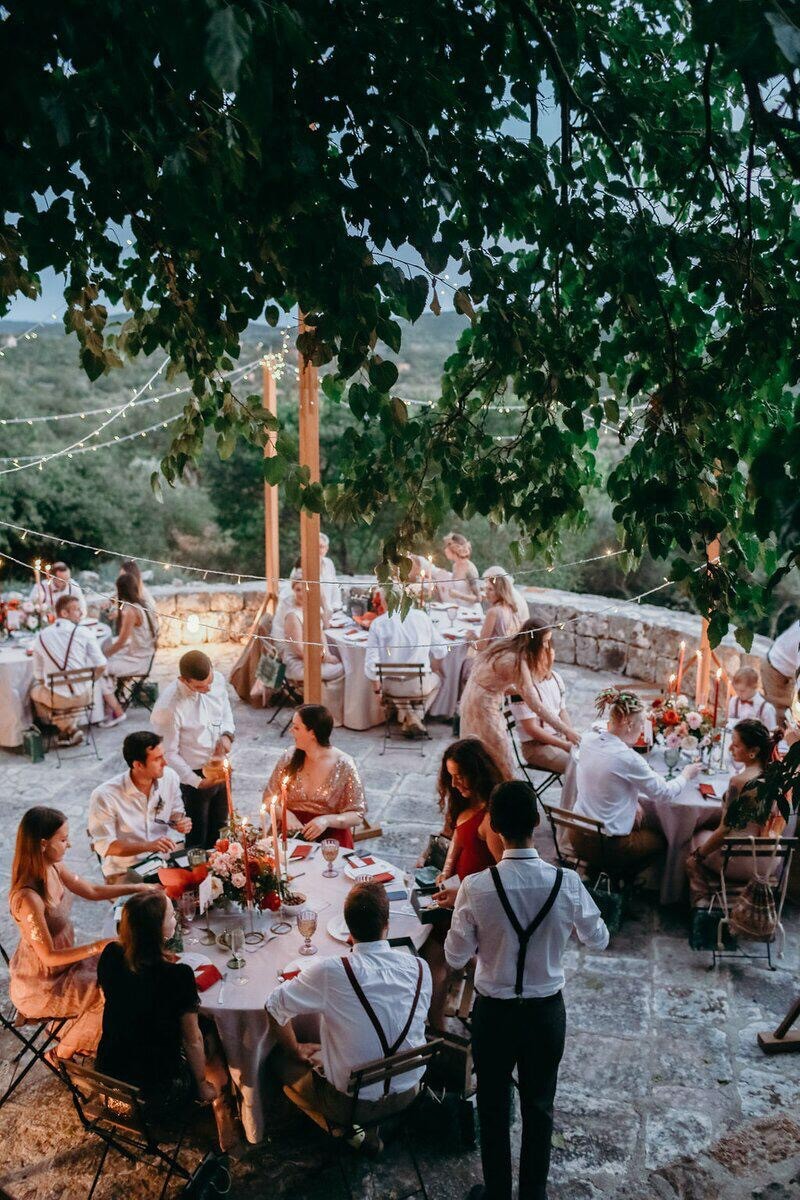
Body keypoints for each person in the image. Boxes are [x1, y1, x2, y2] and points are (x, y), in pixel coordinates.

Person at [445, 781, 609, 1200]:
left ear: (494, 827)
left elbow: (454, 956)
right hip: (545, 1013)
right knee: (539, 1106)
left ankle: (498, 1194)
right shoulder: (566, 883)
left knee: (493, 1107)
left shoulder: (476, 888)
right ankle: (533, 1195)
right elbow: (599, 939)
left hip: (494, 1014)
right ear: (536, 822)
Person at [266, 881, 432, 1146]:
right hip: (409, 1093)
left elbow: (273, 1006)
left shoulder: (332, 971)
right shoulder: (420, 967)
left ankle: (349, 1134)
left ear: (348, 929)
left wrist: (295, 1049)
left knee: (276, 1060)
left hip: (352, 1106)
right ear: (387, 925)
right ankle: (368, 1131)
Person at [8, 806, 153, 1059]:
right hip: (43, 983)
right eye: (63, 840)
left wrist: (138, 888)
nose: (70, 844)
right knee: (114, 989)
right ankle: (60, 1053)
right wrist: (97, 946)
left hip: (66, 964)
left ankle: (81, 1034)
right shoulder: (28, 898)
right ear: (43, 844)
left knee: (121, 966)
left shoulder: (54, 866)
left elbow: (92, 891)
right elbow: (48, 957)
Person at [96, 892, 235, 1145]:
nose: (176, 918)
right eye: (171, 916)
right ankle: (221, 1110)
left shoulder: (110, 955)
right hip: (153, 1096)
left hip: (108, 1089)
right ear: (157, 931)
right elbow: (192, 1040)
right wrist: (200, 1084)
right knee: (210, 1033)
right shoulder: (177, 976)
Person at [572, 688, 702, 876]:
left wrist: (632, 803)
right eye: (641, 724)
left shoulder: (587, 739)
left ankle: (596, 872)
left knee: (639, 821)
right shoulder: (628, 758)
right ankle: (620, 879)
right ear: (629, 724)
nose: (642, 730)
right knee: (664, 841)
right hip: (608, 847)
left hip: (577, 836)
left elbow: (606, 776)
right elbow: (664, 792)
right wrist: (686, 775)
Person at [421, 738, 505, 1029]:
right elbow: (456, 841)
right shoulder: (464, 803)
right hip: (456, 899)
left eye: (460, 776)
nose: (454, 784)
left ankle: (437, 1030)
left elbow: (504, 874)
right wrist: (442, 869)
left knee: (431, 958)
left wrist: (462, 894)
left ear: (477, 771)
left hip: (474, 909)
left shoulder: (491, 818)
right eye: (451, 777)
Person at [459, 619, 580, 779]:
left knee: (485, 752)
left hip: (476, 695)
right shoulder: (515, 661)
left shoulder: (511, 646)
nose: (546, 647)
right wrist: (566, 731)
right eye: (544, 642)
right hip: (482, 705)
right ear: (534, 641)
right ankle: (501, 787)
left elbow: (495, 679)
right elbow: (535, 704)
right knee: (496, 752)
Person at [687, 719, 780, 907]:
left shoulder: (739, 782)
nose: (730, 748)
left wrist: (697, 856)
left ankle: (702, 901)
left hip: (739, 860)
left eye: (736, 745)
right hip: (769, 860)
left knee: (693, 839)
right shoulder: (774, 778)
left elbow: (725, 830)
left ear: (753, 751)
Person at [151, 649, 235, 849]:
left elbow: (225, 712)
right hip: (193, 776)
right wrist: (197, 782)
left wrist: (227, 735)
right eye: (199, 686)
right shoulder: (167, 708)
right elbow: (168, 753)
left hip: (221, 766)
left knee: (222, 829)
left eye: (209, 682)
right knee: (197, 838)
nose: (207, 688)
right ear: (183, 680)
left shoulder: (218, 680)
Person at [88, 731, 192, 880]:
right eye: (157, 759)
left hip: (162, 861)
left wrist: (179, 822)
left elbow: (176, 812)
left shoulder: (170, 777)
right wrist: (149, 846)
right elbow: (105, 845)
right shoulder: (104, 796)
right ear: (138, 765)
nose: (165, 763)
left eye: (163, 755)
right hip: (124, 869)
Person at [263, 704, 366, 847]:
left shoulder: (344, 764)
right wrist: (286, 815)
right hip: (290, 834)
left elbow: (357, 815)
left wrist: (325, 821)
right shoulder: (289, 757)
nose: (291, 731)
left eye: (296, 727)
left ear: (312, 733)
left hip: (330, 839)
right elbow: (268, 799)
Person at [364, 589, 447, 736]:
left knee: (396, 679)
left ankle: (410, 717)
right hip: (419, 685)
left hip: (391, 687)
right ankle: (417, 717)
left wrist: (377, 692)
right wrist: (436, 666)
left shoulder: (378, 623)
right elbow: (441, 649)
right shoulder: (422, 617)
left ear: (385, 602)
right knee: (438, 680)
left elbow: (372, 665)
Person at [30, 593, 106, 748]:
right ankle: (71, 729)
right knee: (69, 693)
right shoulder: (85, 632)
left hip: (57, 699)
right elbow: (102, 665)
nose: (81, 613)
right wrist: (90, 683)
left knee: (32, 692)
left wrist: (50, 686)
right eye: (77, 609)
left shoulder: (41, 636)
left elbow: (38, 674)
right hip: (84, 697)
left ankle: (64, 728)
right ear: (64, 613)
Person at [510, 632, 575, 776]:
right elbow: (531, 729)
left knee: (591, 759)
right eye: (544, 652)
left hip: (558, 738)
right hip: (536, 747)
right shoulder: (522, 688)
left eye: (550, 651)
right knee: (577, 766)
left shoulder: (556, 678)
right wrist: (564, 745)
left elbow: (562, 711)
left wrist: (570, 735)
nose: (549, 656)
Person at [99, 573, 159, 729]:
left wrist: (103, 655)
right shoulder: (145, 604)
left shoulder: (131, 611)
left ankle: (116, 711)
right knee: (109, 659)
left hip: (139, 661)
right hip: (146, 654)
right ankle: (112, 701)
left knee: (100, 668)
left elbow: (121, 642)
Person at [281, 569, 345, 703]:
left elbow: (324, 628)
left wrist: (327, 654)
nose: (301, 593)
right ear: (293, 591)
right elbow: (299, 652)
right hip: (298, 664)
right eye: (298, 590)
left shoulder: (311, 608)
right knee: (344, 669)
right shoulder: (293, 616)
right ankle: (324, 706)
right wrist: (325, 658)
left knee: (341, 660)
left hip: (313, 658)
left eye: (304, 589)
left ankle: (326, 704)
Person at [468, 571, 520, 649]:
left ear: (500, 591)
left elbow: (480, 646)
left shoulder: (493, 612)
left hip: (493, 655)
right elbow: (497, 638)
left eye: (490, 589)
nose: (486, 592)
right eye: (486, 589)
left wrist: (468, 638)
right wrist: (475, 637)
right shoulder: (509, 607)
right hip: (504, 652)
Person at [761, 618, 800, 717]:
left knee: (788, 713)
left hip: (787, 669)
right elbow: (796, 700)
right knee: (779, 715)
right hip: (774, 668)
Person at [726, 665, 777, 731]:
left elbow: (771, 733)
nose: (738, 694)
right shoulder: (734, 702)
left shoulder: (767, 709)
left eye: (742, 691)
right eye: (736, 690)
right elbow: (729, 725)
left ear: (754, 686)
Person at [441, 532, 481, 605]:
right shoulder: (455, 565)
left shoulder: (469, 570)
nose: (445, 550)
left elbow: (478, 598)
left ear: (454, 550)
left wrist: (459, 595)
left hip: (469, 610)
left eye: (447, 547)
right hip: (457, 607)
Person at [319, 532, 343, 611]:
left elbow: (335, 587)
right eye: (315, 547)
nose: (318, 550)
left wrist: (335, 606)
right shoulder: (302, 564)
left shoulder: (328, 563)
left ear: (326, 548)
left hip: (330, 611)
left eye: (321, 547)